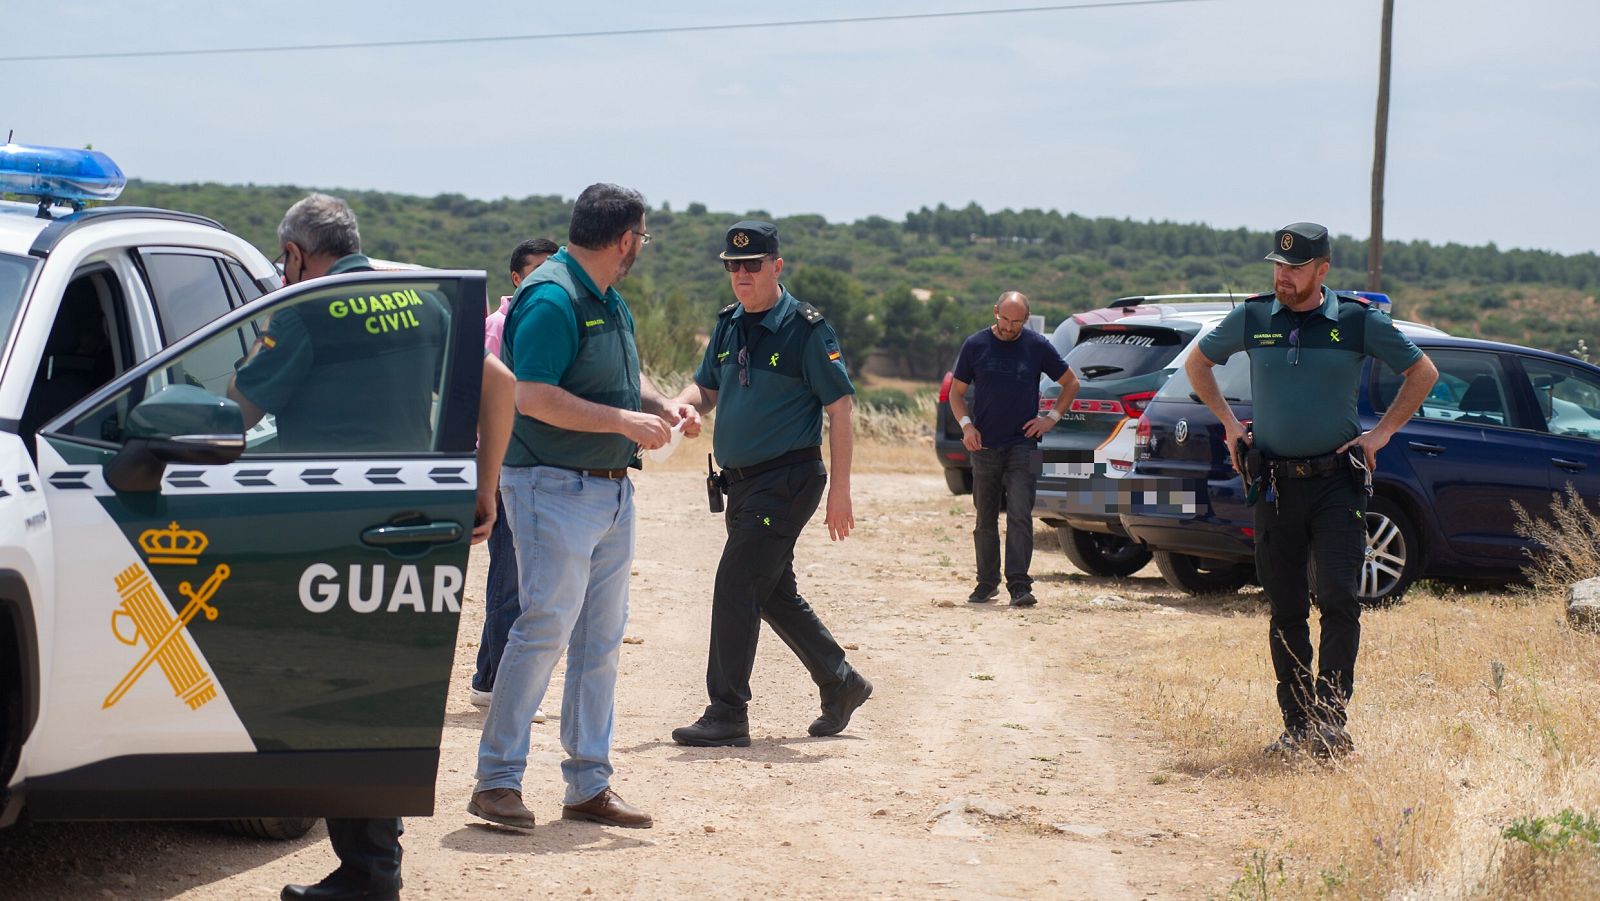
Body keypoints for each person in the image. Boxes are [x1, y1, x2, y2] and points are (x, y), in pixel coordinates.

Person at [229, 193, 516, 901]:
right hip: (404, 516)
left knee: (324, 689)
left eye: (282, 260)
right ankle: (369, 868)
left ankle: (369, 872)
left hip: (316, 521)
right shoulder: (421, 303)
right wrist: (486, 485)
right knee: (374, 693)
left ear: (296, 255)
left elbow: (234, 410)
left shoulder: (306, 307)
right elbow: (501, 383)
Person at [469, 183, 696, 831]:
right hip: (549, 487)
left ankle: (588, 783)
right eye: (642, 239)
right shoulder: (552, 296)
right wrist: (625, 420)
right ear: (626, 239)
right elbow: (533, 396)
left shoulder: (605, 298)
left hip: (609, 489)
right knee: (542, 630)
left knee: (599, 641)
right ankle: (496, 780)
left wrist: (658, 407)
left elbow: (625, 377)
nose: (640, 250)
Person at [1184, 221, 1437, 758]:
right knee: (1286, 607)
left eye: (1295, 268)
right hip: (1275, 485)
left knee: (1341, 600)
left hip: (1337, 486)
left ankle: (1330, 720)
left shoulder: (1356, 321)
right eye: (1278, 266)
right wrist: (1230, 422)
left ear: (1322, 270)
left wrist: (1383, 432)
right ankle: (1297, 724)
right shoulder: (1254, 317)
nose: (1284, 277)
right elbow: (1197, 363)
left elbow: (1423, 372)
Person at [667, 220, 872, 748]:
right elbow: (706, 386)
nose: (741, 275)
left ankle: (727, 711)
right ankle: (840, 681)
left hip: (788, 479)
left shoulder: (806, 329)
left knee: (736, 583)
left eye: (752, 265)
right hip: (740, 485)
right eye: (733, 266)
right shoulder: (730, 323)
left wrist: (842, 490)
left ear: (776, 267)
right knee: (772, 591)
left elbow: (841, 407)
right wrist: (680, 407)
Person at [472, 237, 559, 720]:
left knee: (519, 574)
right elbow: (483, 397)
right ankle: (496, 684)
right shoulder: (497, 327)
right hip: (500, 464)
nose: (544, 280)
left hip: (533, 464)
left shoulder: (543, 322)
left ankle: (489, 678)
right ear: (515, 278)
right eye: (535, 271)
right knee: (511, 576)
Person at [947, 292, 1079, 606]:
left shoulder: (1037, 346)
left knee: (1020, 515)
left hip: (1025, 444)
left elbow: (1071, 383)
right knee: (985, 518)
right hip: (984, 444)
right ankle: (986, 583)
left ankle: (1020, 585)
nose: (1009, 327)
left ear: (1026, 320)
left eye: (1016, 321)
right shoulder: (975, 345)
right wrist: (967, 425)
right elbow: (956, 393)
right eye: (1005, 319)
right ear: (995, 313)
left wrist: (1050, 419)